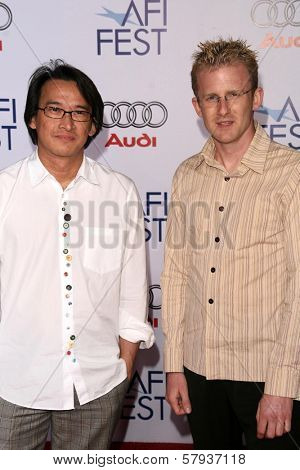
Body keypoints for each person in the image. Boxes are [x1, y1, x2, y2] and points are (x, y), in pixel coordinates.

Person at [0, 59, 154, 450]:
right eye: (54, 109)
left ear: (93, 125)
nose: (67, 122)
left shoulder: (118, 191)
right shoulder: (4, 190)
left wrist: (125, 363)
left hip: (97, 383)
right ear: (33, 119)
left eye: (79, 112)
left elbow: (133, 286)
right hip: (13, 383)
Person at [161, 38, 300, 450]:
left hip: (265, 374)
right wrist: (174, 367)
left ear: (256, 97)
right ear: (196, 105)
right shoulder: (187, 175)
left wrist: (282, 383)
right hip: (199, 369)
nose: (223, 110)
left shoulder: (291, 173)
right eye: (211, 97)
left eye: (234, 94)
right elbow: (176, 275)